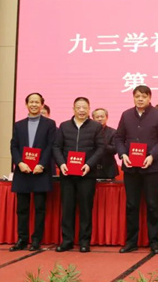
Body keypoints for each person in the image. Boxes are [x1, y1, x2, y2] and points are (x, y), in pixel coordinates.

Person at [114, 85, 158, 254]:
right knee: (131, 205)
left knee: (152, 205)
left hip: (151, 168)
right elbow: (118, 138)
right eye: (137, 96)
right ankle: (131, 242)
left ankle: (154, 242)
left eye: (143, 96)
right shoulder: (126, 115)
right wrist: (123, 154)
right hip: (131, 168)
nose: (140, 99)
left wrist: (152, 156)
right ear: (133, 97)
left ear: (149, 98)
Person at [53, 97, 104, 253]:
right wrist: (61, 164)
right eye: (78, 107)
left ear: (89, 109)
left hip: (87, 174)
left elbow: (100, 148)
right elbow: (56, 147)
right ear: (73, 109)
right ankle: (67, 241)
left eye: (84, 107)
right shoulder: (64, 126)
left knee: (85, 209)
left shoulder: (96, 127)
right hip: (67, 174)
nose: (81, 110)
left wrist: (89, 165)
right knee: (67, 208)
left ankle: (84, 241)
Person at [9, 93, 56, 251]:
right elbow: (14, 146)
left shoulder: (49, 124)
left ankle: (36, 240)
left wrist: (41, 164)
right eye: (31, 102)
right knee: (22, 208)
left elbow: (51, 146)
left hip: (40, 171)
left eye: (37, 102)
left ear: (42, 105)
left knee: (40, 208)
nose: (34, 105)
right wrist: (19, 163)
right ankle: (22, 239)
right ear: (26, 104)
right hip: (22, 171)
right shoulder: (19, 125)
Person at [92, 108, 118, 179]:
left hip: (108, 169)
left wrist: (102, 144)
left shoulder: (113, 132)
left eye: (102, 116)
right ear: (93, 119)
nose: (100, 119)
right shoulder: (89, 132)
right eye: (97, 117)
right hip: (92, 168)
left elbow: (114, 150)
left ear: (107, 117)